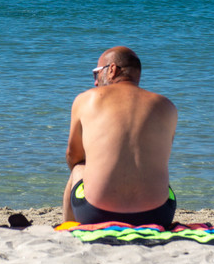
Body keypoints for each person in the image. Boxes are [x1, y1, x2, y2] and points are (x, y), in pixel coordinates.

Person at [63, 46, 178, 227]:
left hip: (95, 213)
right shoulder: (166, 106)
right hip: (158, 214)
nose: (95, 82)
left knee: (79, 168)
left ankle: (68, 227)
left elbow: (73, 155)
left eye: (96, 73)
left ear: (112, 70)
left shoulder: (87, 99)